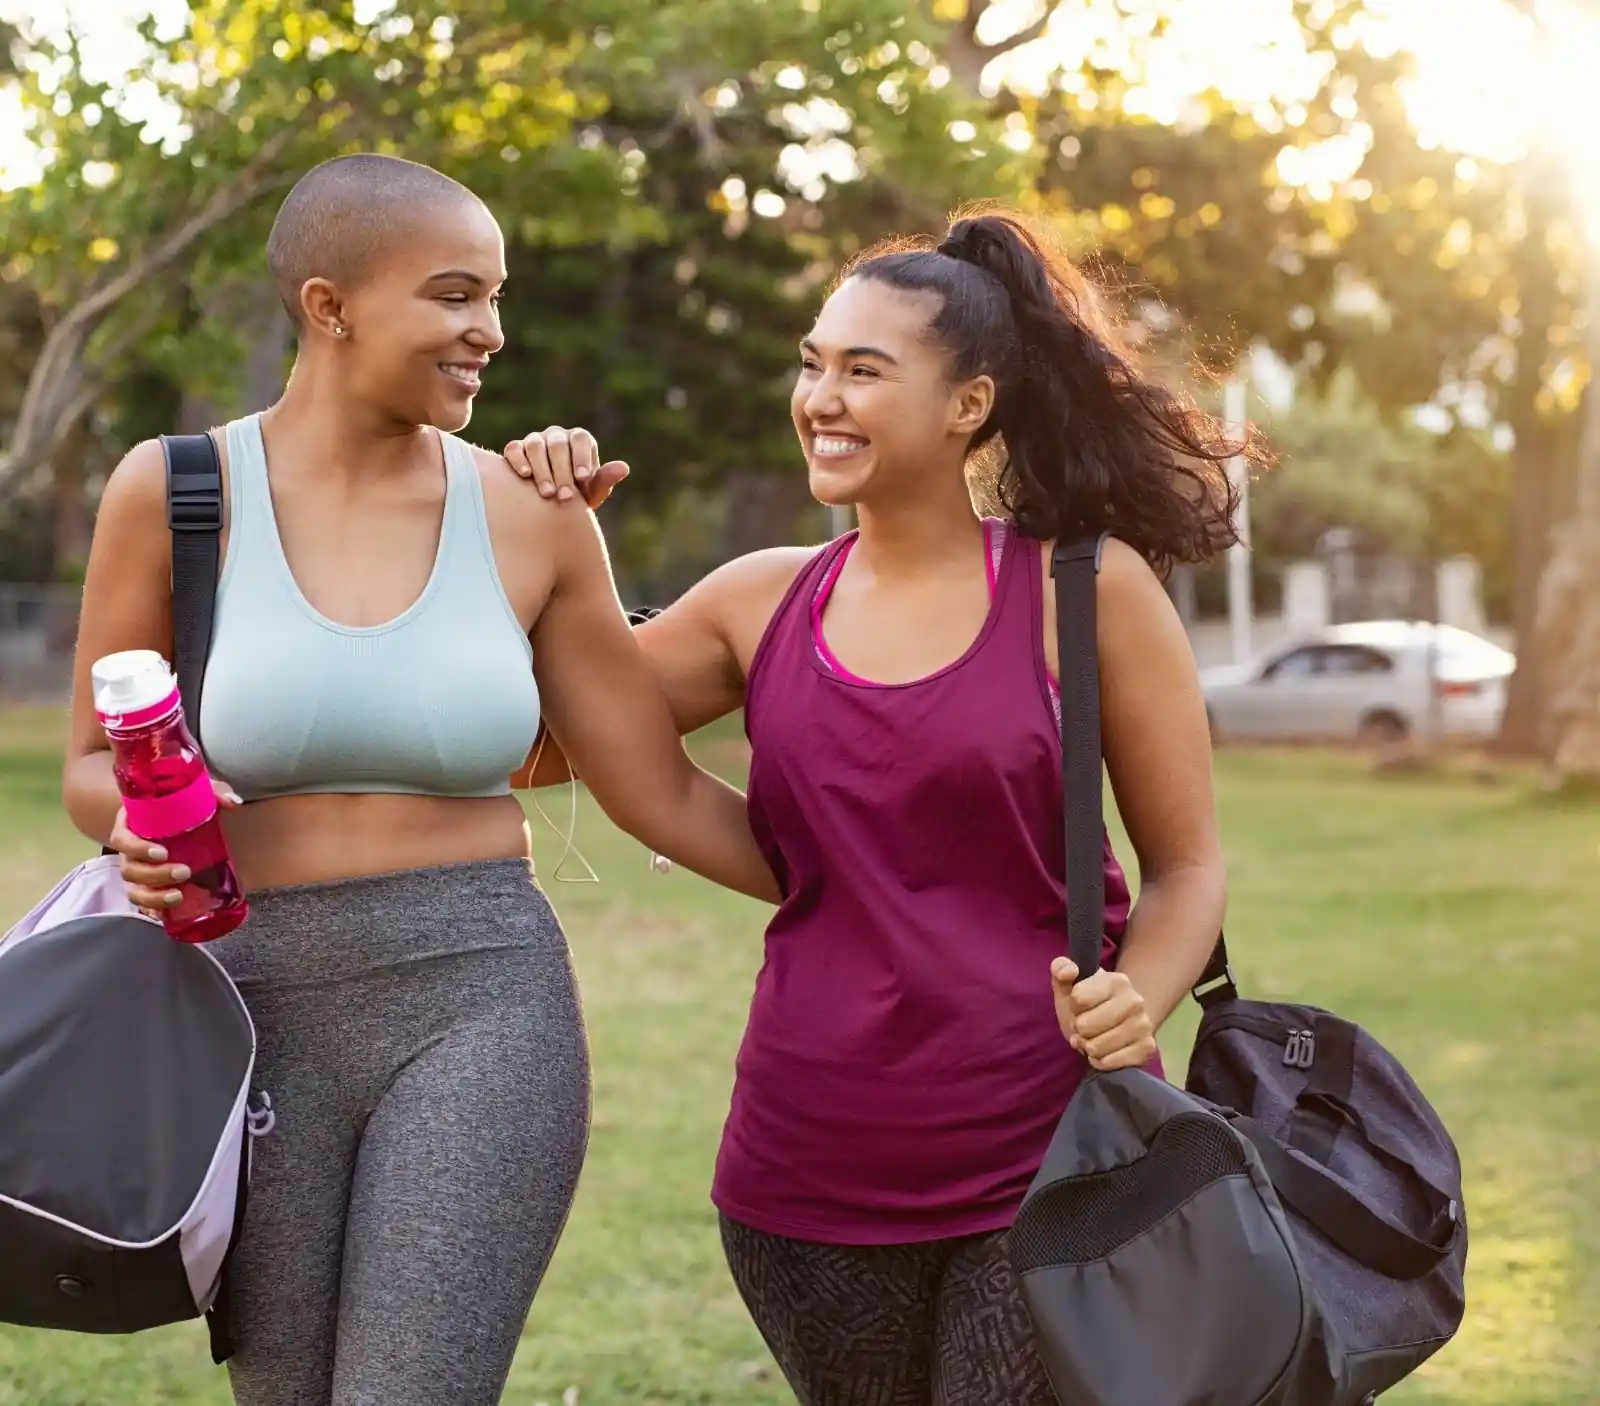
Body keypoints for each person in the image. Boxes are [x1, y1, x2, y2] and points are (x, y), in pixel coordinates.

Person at [505, 209, 1256, 1405]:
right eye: (812, 362)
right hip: (806, 1168)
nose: (821, 397)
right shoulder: (758, 602)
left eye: (864, 369)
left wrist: (1138, 994)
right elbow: (539, 746)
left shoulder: (1085, 587)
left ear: (968, 403)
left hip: (1052, 1150)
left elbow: (1186, 871)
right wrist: (547, 537)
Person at [62, 153, 777, 1406]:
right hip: (246, 1009)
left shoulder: (532, 508)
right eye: (454, 296)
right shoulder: (174, 493)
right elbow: (88, 760)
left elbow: (653, 786)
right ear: (329, 306)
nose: (488, 332)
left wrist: (884, 887)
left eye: (494, 298)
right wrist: (134, 824)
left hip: (480, 999)